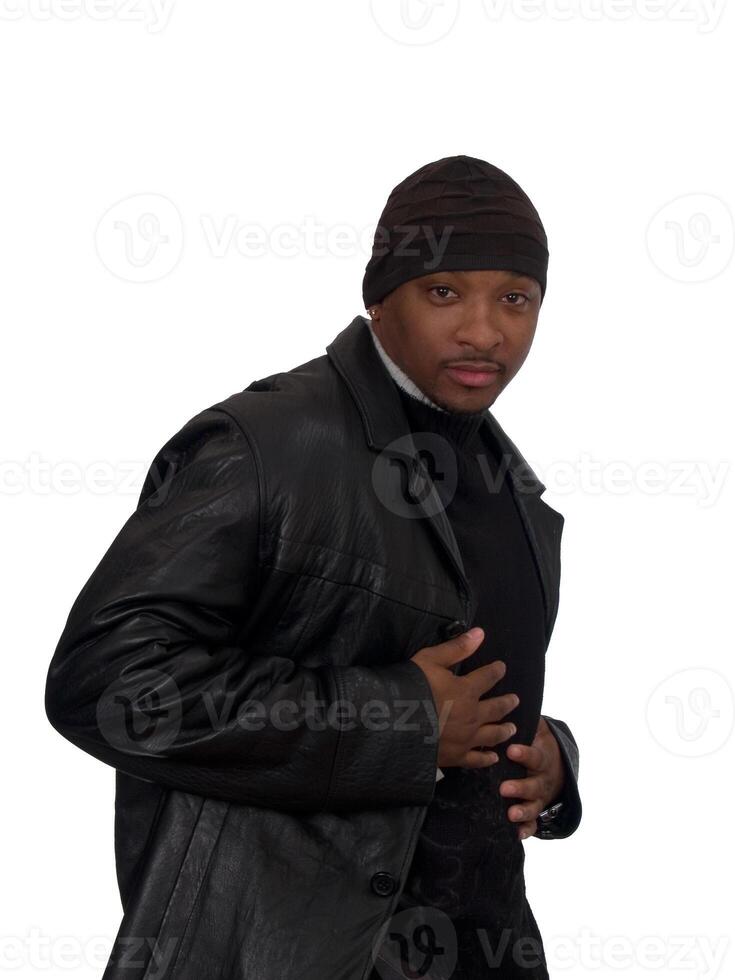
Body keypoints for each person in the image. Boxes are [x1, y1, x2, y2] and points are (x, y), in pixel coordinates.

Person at [45, 153, 582, 980]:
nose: (484, 331)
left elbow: (450, 680)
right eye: (444, 292)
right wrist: (399, 723)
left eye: (514, 297)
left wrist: (544, 755)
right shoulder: (265, 446)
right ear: (377, 300)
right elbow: (106, 683)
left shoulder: (514, 495)